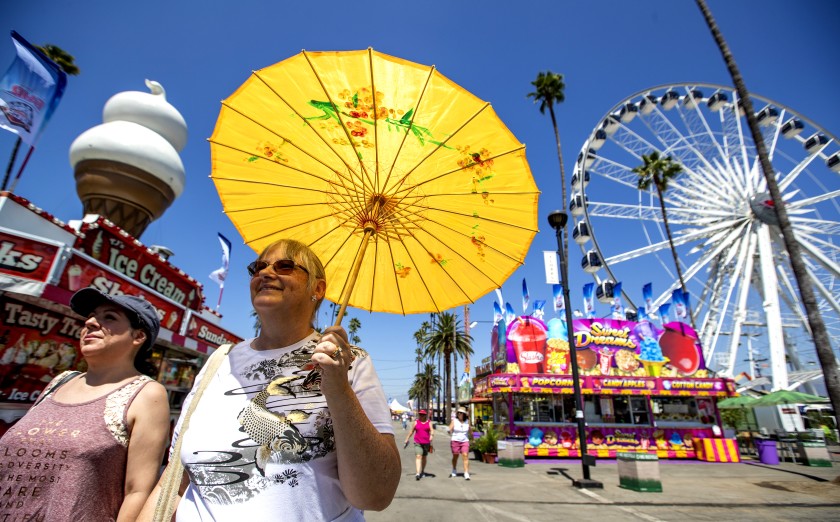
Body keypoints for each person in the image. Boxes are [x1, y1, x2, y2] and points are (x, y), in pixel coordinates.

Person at [139, 239, 400, 521]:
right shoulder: (220, 360)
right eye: (258, 267)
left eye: (285, 266)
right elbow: (175, 479)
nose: (266, 272)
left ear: (318, 288)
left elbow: (375, 495)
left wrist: (338, 389)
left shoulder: (350, 362)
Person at [0, 288, 171, 521]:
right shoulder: (60, 381)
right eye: (90, 316)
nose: (90, 322)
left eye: (109, 317)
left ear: (138, 337)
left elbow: (137, 491)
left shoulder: (146, 394)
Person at [404, 409, 434, 480]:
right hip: (418, 442)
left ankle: (422, 471)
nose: (421, 416)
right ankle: (417, 473)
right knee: (418, 456)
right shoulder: (416, 422)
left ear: (425, 415)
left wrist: (431, 435)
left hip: (426, 443)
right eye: (420, 414)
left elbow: (432, 430)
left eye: (423, 414)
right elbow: (411, 431)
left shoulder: (429, 422)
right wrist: (407, 438)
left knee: (424, 457)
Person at [448, 407, 471, 480]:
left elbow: (470, 430)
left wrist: (473, 438)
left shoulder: (467, 421)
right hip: (455, 440)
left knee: (465, 455)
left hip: (465, 441)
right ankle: (454, 469)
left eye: (461, 413)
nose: (460, 414)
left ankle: (466, 473)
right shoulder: (454, 421)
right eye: (458, 413)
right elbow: (450, 428)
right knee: (456, 455)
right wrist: (449, 430)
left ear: (464, 414)